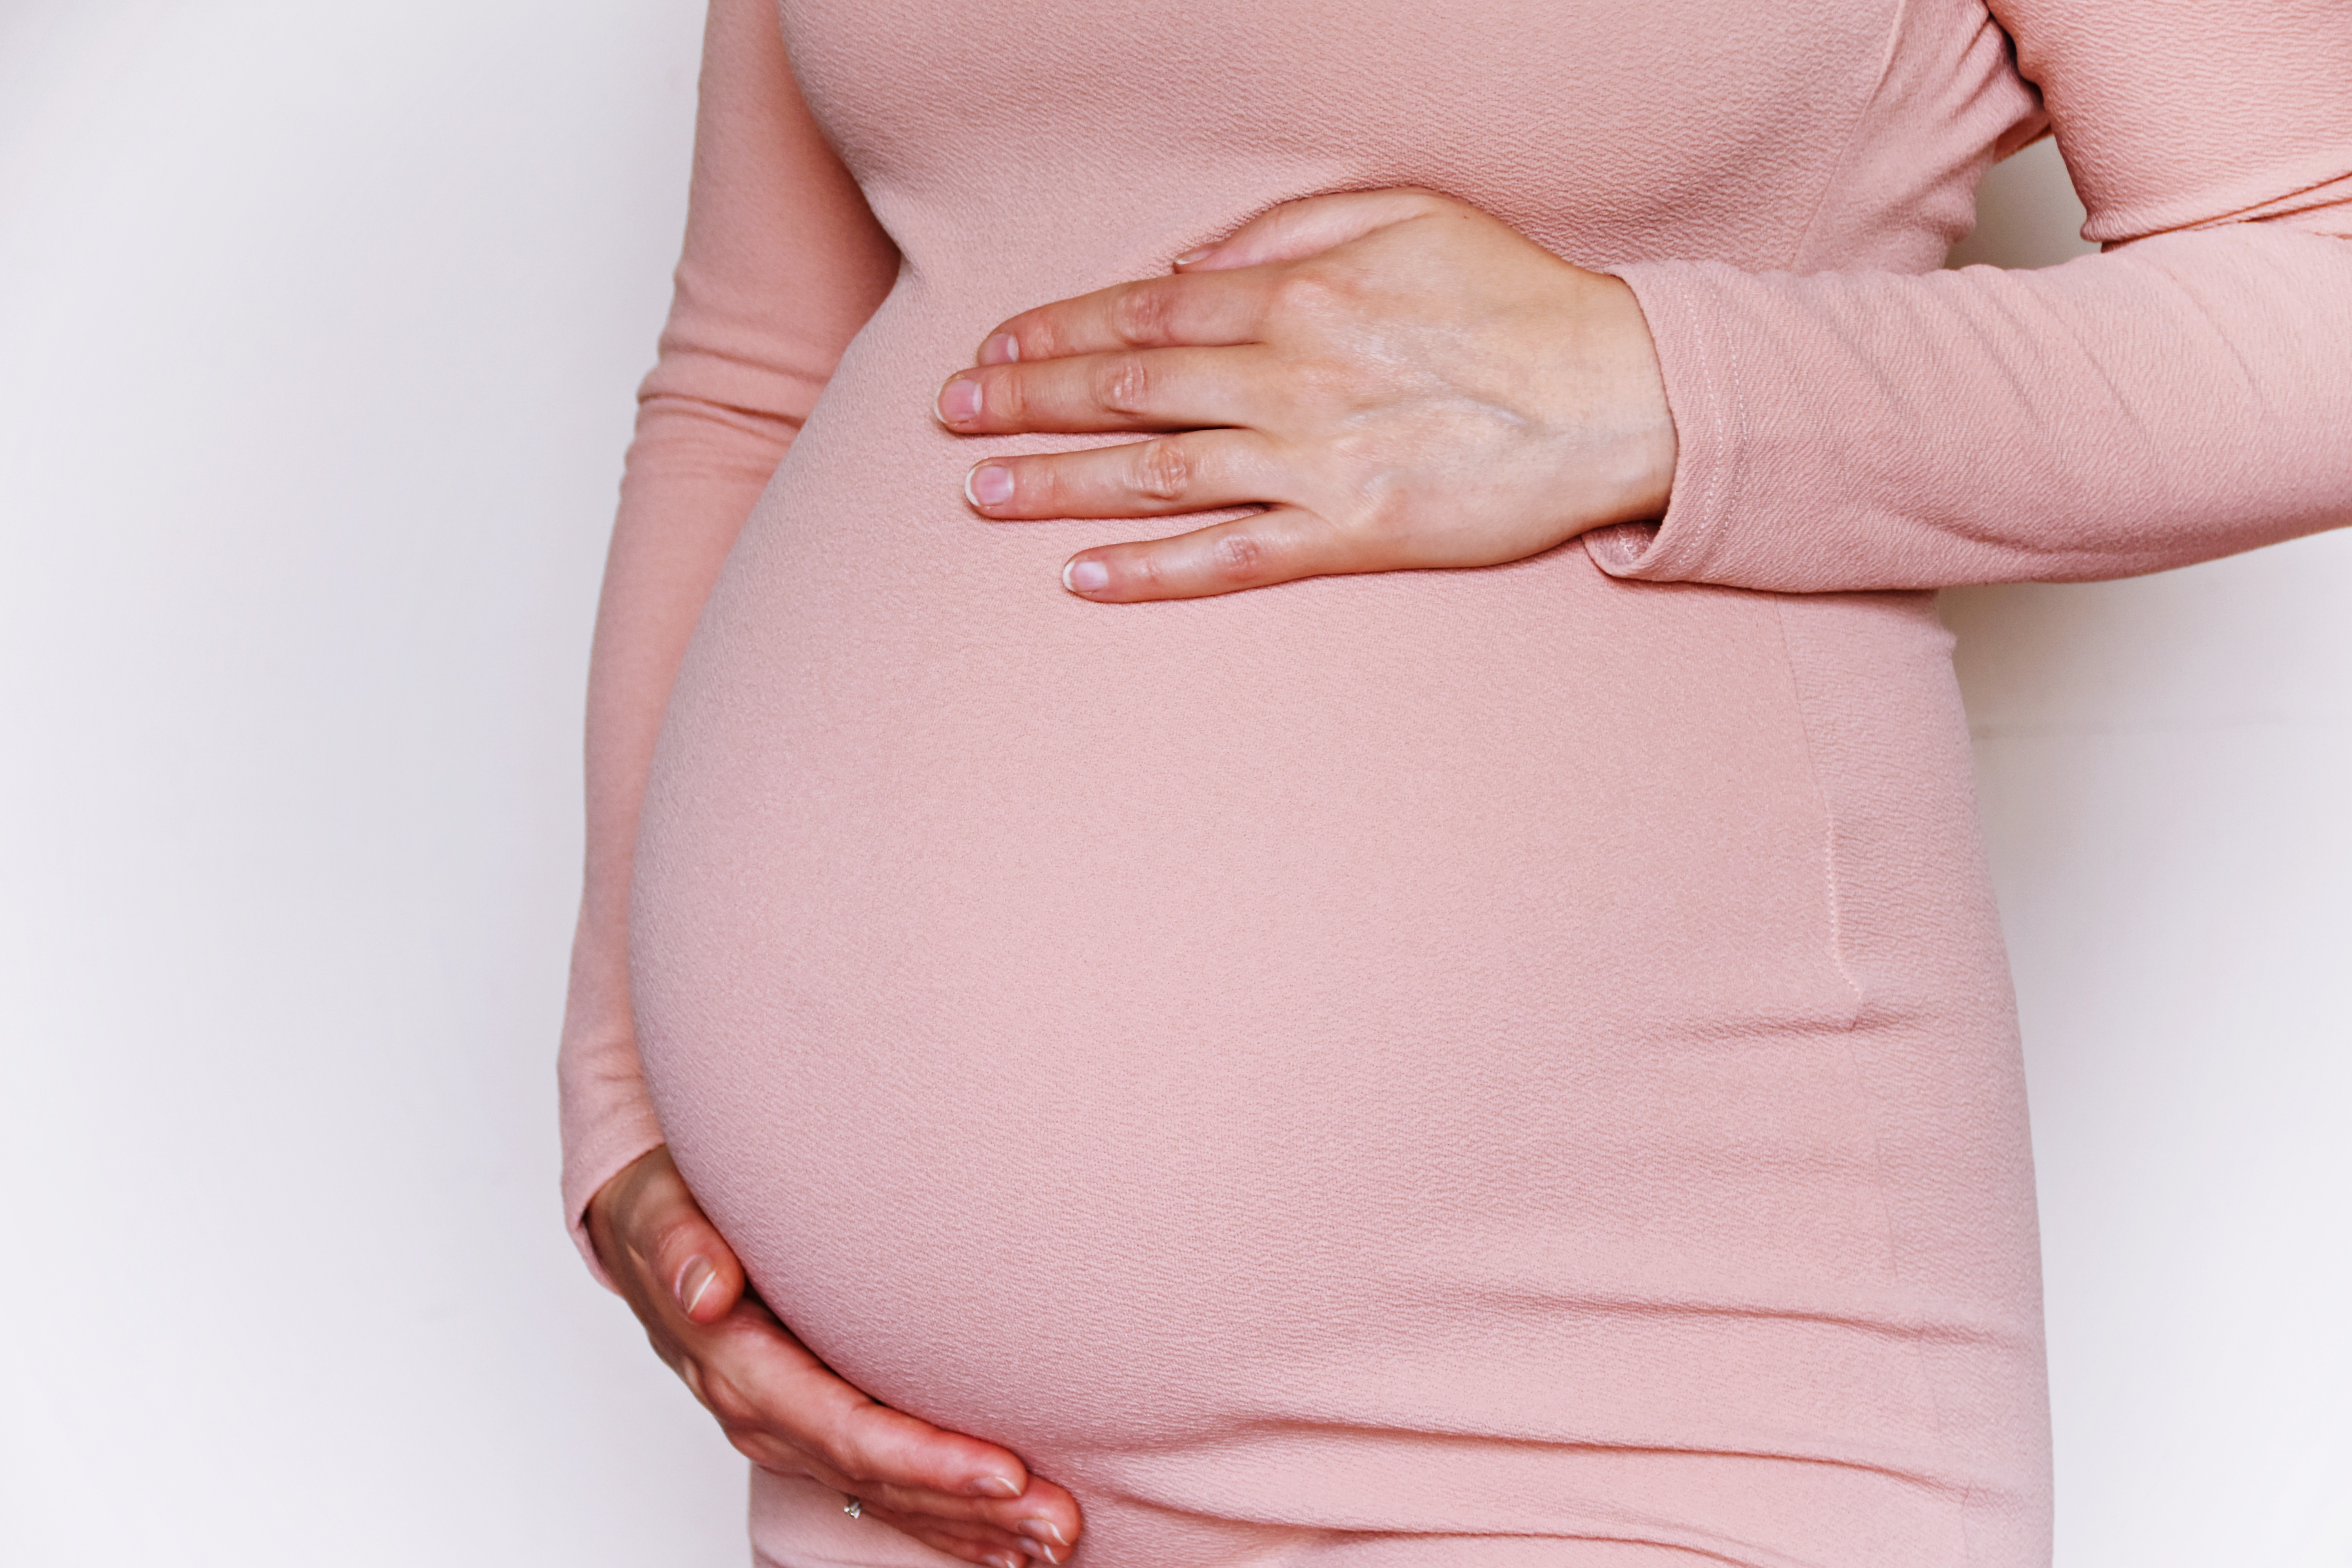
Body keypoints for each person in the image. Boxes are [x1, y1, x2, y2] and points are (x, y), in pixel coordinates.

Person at [559, 1, 2352, 1564]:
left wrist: (1659, 383)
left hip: (1614, 1409)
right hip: (899, 1467)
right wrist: (629, 1109)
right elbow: (746, 379)